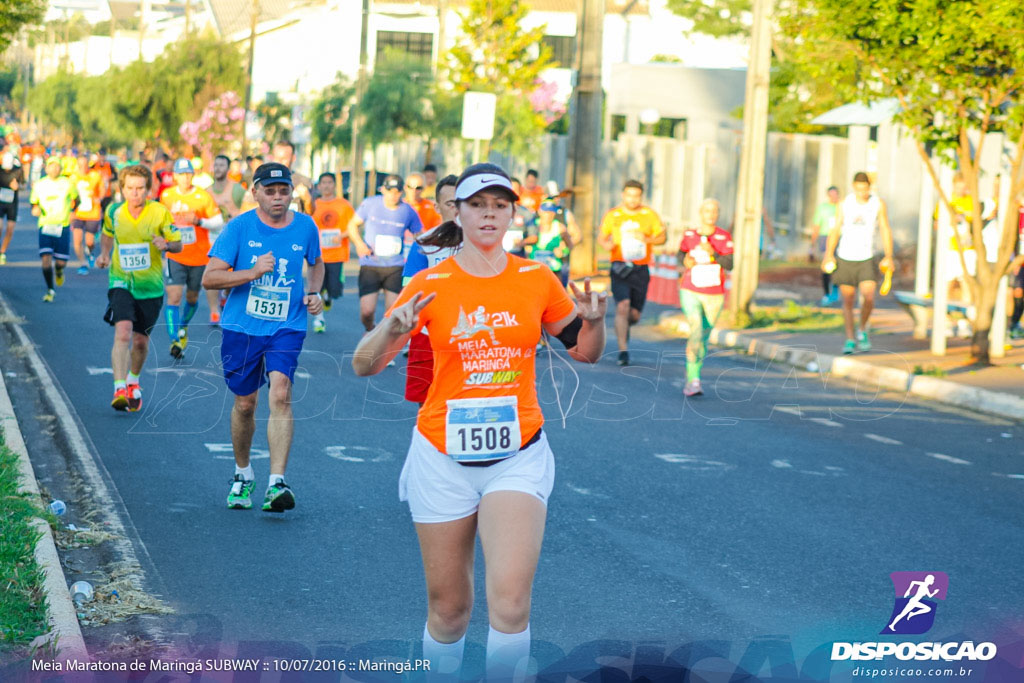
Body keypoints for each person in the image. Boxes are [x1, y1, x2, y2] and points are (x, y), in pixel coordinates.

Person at [352, 163, 607, 682]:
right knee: (449, 610)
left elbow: (584, 351)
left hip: (517, 454)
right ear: (458, 213)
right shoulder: (429, 284)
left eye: (499, 205)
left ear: (513, 213)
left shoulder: (536, 277)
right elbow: (364, 363)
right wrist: (391, 331)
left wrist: (596, 324)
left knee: (510, 604)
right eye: (477, 205)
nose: (489, 214)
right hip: (441, 456)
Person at [202, 162, 324, 513]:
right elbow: (211, 278)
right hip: (242, 327)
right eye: (269, 191)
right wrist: (253, 271)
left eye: (283, 191)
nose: (277, 198)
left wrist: (314, 292)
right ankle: (242, 474)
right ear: (255, 192)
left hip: (287, 325)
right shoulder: (238, 228)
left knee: (281, 394)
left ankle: (277, 482)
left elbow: (316, 262)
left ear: (291, 193)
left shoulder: (305, 226)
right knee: (245, 404)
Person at [96, 164, 181, 411]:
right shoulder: (114, 211)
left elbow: (178, 246)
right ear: (122, 189)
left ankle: (133, 380)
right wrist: (103, 254)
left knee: (141, 342)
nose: (135, 193)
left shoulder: (160, 213)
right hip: (121, 281)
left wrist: (165, 244)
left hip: (151, 286)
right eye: (130, 188)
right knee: (122, 331)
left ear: (148, 189)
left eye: (140, 188)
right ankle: (119, 387)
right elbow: (107, 234)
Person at [822, 171, 895, 355]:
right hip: (846, 257)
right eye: (858, 189)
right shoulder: (845, 204)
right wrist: (829, 254)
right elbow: (836, 230)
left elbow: (885, 229)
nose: (862, 192)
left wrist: (889, 255)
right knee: (848, 301)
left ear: (869, 188)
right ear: (854, 187)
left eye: (865, 189)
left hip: (866, 257)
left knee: (869, 297)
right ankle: (849, 339)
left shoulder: (877, 204)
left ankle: (862, 330)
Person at [401, 174, 458, 404]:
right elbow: (409, 290)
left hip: (471, 337)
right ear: (437, 206)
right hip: (428, 336)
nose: (457, 210)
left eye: (463, 202)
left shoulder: (484, 243)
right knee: (426, 405)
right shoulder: (424, 243)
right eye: (450, 204)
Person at [598, 179, 666, 366]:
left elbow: (662, 237)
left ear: (641, 196)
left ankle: (626, 324)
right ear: (623, 195)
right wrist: (606, 244)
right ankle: (623, 351)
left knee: (634, 314)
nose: (632, 199)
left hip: (640, 269)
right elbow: (602, 238)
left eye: (636, 195)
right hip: (620, 266)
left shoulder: (649, 215)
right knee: (622, 306)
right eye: (629, 195)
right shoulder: (614, 215)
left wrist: (649, 238)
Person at [161, 158, 225, 356]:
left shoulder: (202, 196)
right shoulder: (166, 196)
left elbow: (218, 222)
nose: (184, 178)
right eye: (181, 174)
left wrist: (198, 221)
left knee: (192, 297)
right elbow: (159, 220)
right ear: (175, 176)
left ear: (192, 175)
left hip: (198, 257)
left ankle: (183, 326)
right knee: (174, 296)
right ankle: (175, 339)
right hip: (175, 254)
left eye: (188, 174)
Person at [347, 174, 423, 331]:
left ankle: (384, 346)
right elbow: (352, 225)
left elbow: (420, 234)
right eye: (389, 191)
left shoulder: (407, 211)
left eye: (396, 191)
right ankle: (370, 330)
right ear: (383, 190)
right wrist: (359, 244)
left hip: (395, 267)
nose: (393, 195)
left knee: (393, 313)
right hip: (371, 264)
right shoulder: (370, 204)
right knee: (367, 312)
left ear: (401, 192)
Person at [677, 199, 734, 397]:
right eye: (707, 210)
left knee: (704, 336)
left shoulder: (723, 236)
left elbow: (729, 263)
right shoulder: (690, 235)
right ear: (700, 213)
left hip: (714, 293)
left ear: (718, 214)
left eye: (714, 211)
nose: (710, 214)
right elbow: (681, 255)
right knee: (695, 330)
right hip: (690, 289)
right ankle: (692, 381)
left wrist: (715, 253)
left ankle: (695, 373)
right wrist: (685, 260)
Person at [310, 172, 355, 333]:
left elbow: (354, 227)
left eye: (330, 182)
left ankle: (328, 298)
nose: (327, 186)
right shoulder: (313, 205)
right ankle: (319, 319)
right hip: (318, 255)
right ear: (319, 186)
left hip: (337, 253)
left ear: (334, 185)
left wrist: (340, 236)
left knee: (333, 288)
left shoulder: (344, 205)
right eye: (323, 183)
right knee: (317, 287)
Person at [31, 157, 79, 302]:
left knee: (60, 262)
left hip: (62, 226)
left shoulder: (67, 183)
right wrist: (36, 209)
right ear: (46, 168)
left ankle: (58, 271)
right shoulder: (40, 184)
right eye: (51, 166)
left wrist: (73, 212)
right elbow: (34, 203)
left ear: (61, 168)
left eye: (57, 166)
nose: (54, 169)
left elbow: (76, 199)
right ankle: (50, 289)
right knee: (46, 259)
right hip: (45, 225)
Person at [70, 155, 106, 275]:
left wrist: (99, 198)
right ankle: (83, 263)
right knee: (77, 240)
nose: (83, 167)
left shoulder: (95, 175)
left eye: (85, 164)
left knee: (90, 242)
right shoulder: (73, 177)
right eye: (80, 164)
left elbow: (102, 189)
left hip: (93, 213)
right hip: (78, 213)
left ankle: (90, 252)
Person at [529, 201, 573, 287]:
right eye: (546, 211)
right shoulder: (533, 225)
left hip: (554, 270)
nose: (548, 215)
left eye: (551, 212)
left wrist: (563, 251)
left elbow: (570, 245)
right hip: (535, 269)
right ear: (540, 212)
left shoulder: (560, 227)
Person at [810, 185, 840, 305]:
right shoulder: (822, 208)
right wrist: (812, 245)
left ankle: (835, 291)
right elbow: (816, 226)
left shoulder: (842, 207)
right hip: (825, 238)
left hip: (839, 238)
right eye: (831, 194)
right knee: (827, 266)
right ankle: (827, 294)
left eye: (835, 194)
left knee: (838, 267)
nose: (833, 197)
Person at [271, 140, 313, 214]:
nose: (279, 162)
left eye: (284, 159)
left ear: (293, 158)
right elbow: (245, 209)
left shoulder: (304, 181)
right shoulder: (262, 181)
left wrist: (307, 200)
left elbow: (311, 213)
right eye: (277, 158)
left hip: (296, 225)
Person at [0, 145, 25, 265]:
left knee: (10, 229)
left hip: (12, 203)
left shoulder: (18, 170)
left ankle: (2, 252)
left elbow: (23, 185)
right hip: (0, 202)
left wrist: (18, 187)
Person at [209, 154, 246, 223]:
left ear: (229, 169)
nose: (218, 168)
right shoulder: (207, 191)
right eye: (216, 165)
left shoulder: (237, 189)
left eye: (222, 165)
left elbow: (249, 211)